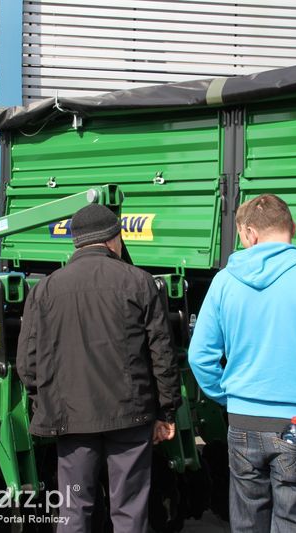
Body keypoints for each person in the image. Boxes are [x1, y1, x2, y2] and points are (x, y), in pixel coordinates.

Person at [188, 194, 296, 532]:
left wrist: (228, 396)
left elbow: (200, 356)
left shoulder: (224, 282)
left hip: (242, 421)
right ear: (293, 229)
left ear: (250, 234)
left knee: (248, 520)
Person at [17, 202, 181, 533]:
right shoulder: (139, 281)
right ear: (114, 239)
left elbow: (28, 364)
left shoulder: (45, 290)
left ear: (76, 242)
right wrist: (166, 413)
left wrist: (46, 403)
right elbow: (162, 354)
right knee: (130, 511)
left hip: (71, 418)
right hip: (130, 417)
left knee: (74, 510)